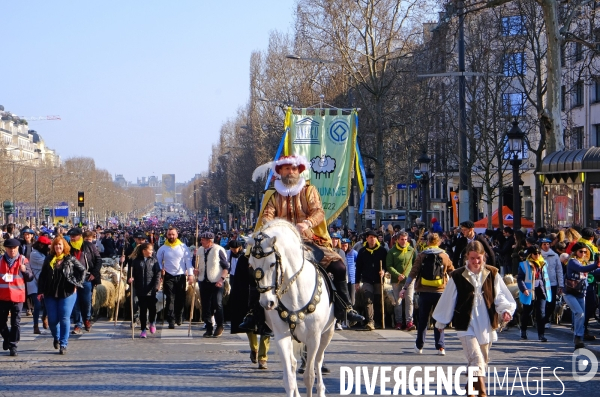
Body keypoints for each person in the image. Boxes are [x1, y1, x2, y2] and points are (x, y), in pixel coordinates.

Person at [240, 154, 364, 332]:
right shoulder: (273, 195)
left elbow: (318, 212)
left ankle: (345, 308)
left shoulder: (309, 190)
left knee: (339, 267)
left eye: (293, 169)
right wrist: (272, 227)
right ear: (280, 171)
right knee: (254, 268)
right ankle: (254, 314)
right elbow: (267, 215)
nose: (290, 172)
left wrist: (307, 223)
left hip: (309, 240)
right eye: (286, 169)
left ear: (299, 171)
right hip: (280, 243)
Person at [432, 241, 516, 396]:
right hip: (465, 323)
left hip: (486, 323)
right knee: (477, 359)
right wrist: (441, 320)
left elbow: (499, 296)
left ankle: (469, 389)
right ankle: (482, 393)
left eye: (479, 258)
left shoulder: (492, 273)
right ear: (467, 257)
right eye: (472, 258)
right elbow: (448, 299)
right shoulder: (457, 275)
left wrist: (505, 310)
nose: (476, 262)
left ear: (483, 256)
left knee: (481, 361)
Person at [401, 233, 455, 355]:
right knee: (439, 319)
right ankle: (440, 347)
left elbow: (413, 273)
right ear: (439, 242)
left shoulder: (422, 255)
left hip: (424, 291)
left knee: (423, 320)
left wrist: (405, 288)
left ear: (428, 242)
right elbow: (453, 272)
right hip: (440, 291)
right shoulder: (444, 256)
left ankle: (419, 346)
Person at [37, 237, 86, 354]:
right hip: (50, 293)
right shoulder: (49, 259)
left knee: (64, 318)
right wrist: (40, 291)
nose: (58, 247)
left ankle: (63, 344)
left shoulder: (70, 259)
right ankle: (57, 337)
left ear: (64, 246)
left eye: (60, 245)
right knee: (53, 320)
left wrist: (77, 284)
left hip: (67, 292)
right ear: (53, 247)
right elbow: (43, 275)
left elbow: (83, 270)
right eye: (56, 245)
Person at [228, 239, 271, 369]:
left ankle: (263, 357)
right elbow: (239, 280)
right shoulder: (244, 259)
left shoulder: (268, 258)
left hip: (266, 294)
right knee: (250, 325)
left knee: (266, 327)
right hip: (250, 296)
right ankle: (254, 349)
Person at [563, 242, 600, 349]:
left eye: (585, 251)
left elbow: (594, 271)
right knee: (579, 313)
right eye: (581, 251)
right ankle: (578, 336)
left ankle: (578, 337)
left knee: (581, 315)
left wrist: (596, 266)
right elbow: (582, 269)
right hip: (569, 292)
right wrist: (596, 264)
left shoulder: (584, 262)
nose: (583, 253)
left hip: (580, 292)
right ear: (575, 251)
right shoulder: (572, 261)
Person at [0, 239, 34, 356]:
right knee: (1, 322)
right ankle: (7, 337)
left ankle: (13, 345)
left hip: (17, 296)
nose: (12, 251)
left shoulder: (23, 260)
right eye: (10, 249)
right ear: (6, 249)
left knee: (16, 323)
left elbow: (30, 277)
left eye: (14, 248)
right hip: (2, 297)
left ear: (18, 248)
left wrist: (24, 271)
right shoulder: (0, 261)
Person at [157, 227, 194, 329]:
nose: (171, 236)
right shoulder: (162, 248)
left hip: (181, 275)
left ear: (177, 235)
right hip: (168, 276)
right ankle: (171, 319)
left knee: (180, 298)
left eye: (173, 234)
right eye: (169, 235)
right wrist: (161, 270)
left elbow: (188, 262)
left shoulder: (183, 247)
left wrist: (190, 274)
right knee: (170, 298)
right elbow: (158, 261)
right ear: (166, 235)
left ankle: (179, 316)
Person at [194, 231, 229, 338]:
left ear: (209, 241)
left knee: (217, 304)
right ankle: (209, 327)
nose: (201, 241)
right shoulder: (199, 250)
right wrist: (195, 270)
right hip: (203, 281)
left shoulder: (218, 250)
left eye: (203, 240)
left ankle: (219, 325)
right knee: (205, 305)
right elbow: (195, 264)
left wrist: (221, 279)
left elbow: (226, 267)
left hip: (216, 282)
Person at [67, 228, 102, 334]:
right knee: (75, 302)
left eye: (74, 236)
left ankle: (87, 319)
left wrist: (94, 273)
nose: (72, 238)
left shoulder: (88, 246)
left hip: (86, 278)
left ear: (80, 236)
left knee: (86, 301)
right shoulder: (68, 247)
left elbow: (98, 260)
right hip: (73, 279)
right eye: (71, 236)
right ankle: (78, 324)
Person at [517, 245, 552, 342]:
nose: (537, 255)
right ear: (530, 254)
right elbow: (520, 279)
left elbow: (545, 277)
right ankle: (523, 330)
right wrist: (524, 289)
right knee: (527, 311)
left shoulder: (543, 263)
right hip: (529, 290)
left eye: (539, 253)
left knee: (541, 312)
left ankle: (541, 334)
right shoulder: (524, 264)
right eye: (535, 253)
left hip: (541, 289)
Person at [355, 230, 388, 330]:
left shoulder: (382, 251)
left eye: (374, 237)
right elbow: (359, 267)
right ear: (367, 239)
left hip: (378, 280)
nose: (372, 239)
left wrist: (383, 271)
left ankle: (378, 321)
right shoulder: (362, 251)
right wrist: (357, 281)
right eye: (370, 237)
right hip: (367, 279)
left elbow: (386, 265)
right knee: (368, 300)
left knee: (378, 301)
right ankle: (370, 321)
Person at [127, 242, 160, 338]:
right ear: (144, 251)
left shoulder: (154, 261)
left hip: (151, 289)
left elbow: (157, 274)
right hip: (140, 289)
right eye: (150, 250)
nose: (152, 251)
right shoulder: (136, 261)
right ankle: (143, 329)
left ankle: (152, 322)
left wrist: (157, 285)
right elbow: (131, 273)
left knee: (152, 308)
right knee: (143, 310)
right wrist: (130, 279)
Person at [386, 231, 416, 331]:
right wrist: (397, 275)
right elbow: (389, 266)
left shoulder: (411, 250)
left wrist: (412, 275)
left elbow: (416, 265)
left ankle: (409, 322)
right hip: (396, 280)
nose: (404, 241)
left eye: (405, 239)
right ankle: (398, 322)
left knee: (409, 300)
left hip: (409, 280)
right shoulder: (392, 251)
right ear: (398, 240)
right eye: (402, 239)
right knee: (398, 301)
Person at [26, 236, 52, 334]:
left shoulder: (43, 253)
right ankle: (35, 326)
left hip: (43, 282)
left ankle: (45, 316)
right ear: (41, 245)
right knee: (37, 304)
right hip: (34, 281)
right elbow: (47, 263)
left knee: (47, 303)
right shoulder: (34, 254)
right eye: (47, 246)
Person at [539, 237, 563, 329]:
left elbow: (559, 270)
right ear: (541, 245)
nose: (546, 246)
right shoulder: (537, 255)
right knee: (542, 303)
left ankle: (546, 318)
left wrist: (561, 284)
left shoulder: (555, 255)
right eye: (544, 244)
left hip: (552, 282)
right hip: (541, 282)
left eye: (548, 244)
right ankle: (543, 320)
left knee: (551, 303)